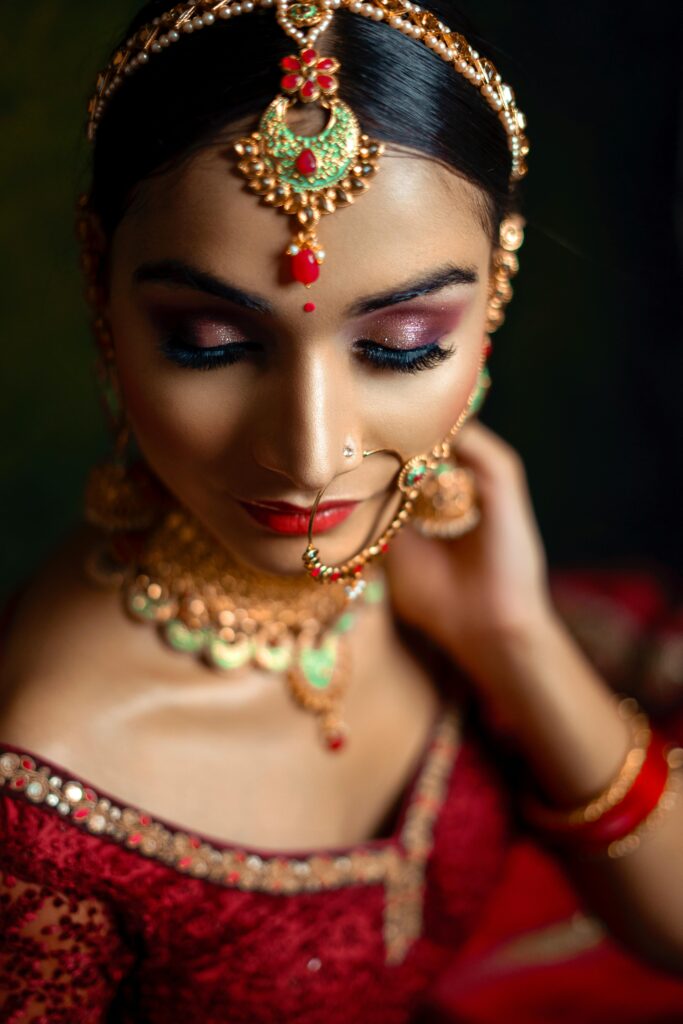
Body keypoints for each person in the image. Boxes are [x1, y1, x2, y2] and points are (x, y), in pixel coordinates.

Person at [1, 0, 682, 1020]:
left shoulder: (442, 569)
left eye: (403, 346)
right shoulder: (47, 789)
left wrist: (515, 639)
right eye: (210, 343)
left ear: (495, 286)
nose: (314, 455)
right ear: (101, 288)